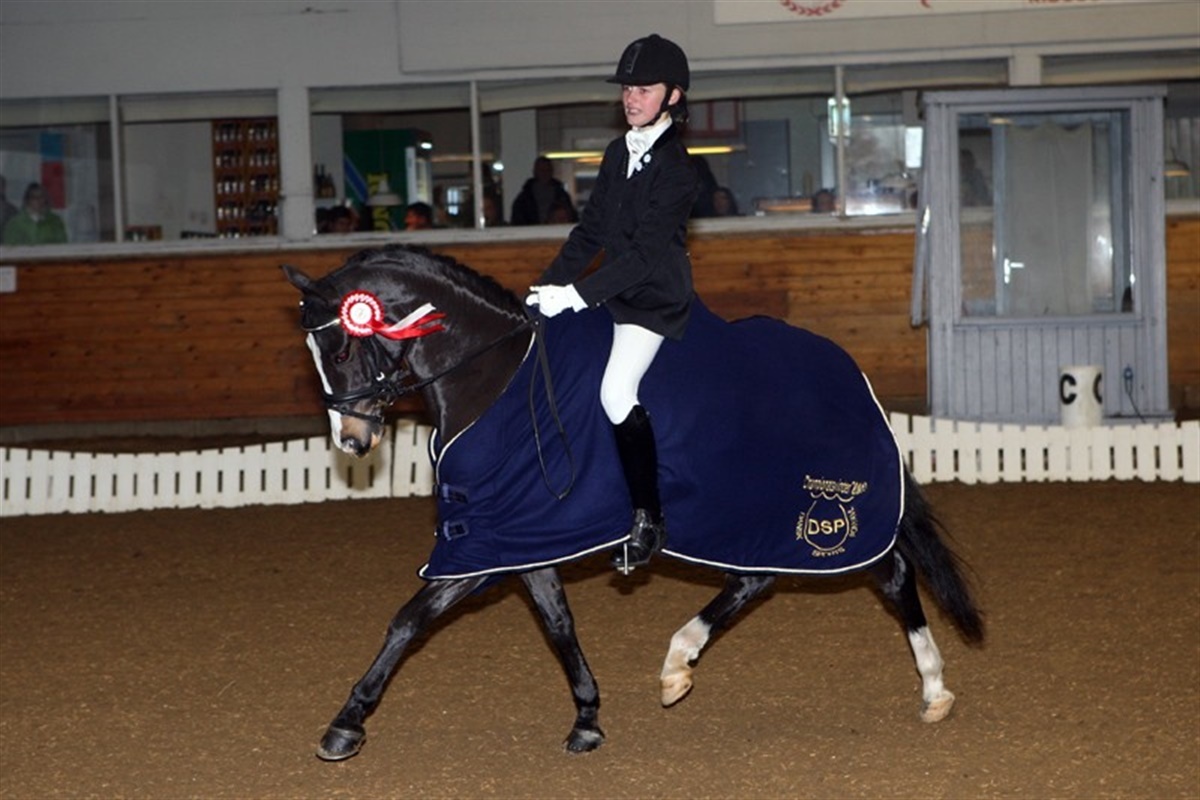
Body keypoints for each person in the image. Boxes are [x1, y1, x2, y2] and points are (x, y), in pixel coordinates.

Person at [526, 33, 698, 574]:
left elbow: (644, 257)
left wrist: (577, 295)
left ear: (672, 96)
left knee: (615, 391)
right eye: (627, 89)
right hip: (612, 290)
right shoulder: (617, 151)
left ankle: (648, 518)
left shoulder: (679, 169)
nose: (631, 98)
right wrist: (545, 288)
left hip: (652, 300)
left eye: (643, 89)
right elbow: (591, 232)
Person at [510, 156, 578, 225]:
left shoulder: (562, 195)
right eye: (542, 170)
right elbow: (518, 222)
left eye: (548, 170)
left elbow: (572, 218)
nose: (545, 173)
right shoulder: (523, 199)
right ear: (535, 172)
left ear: (552, 172)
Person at [2, 182, 67, 245]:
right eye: (33, 197)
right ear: (27, 200)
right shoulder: (15, 224)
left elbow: (62, 244)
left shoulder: (55, 222)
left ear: (46, 199)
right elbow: (10, 247)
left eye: (41, 196)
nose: (38, 200)